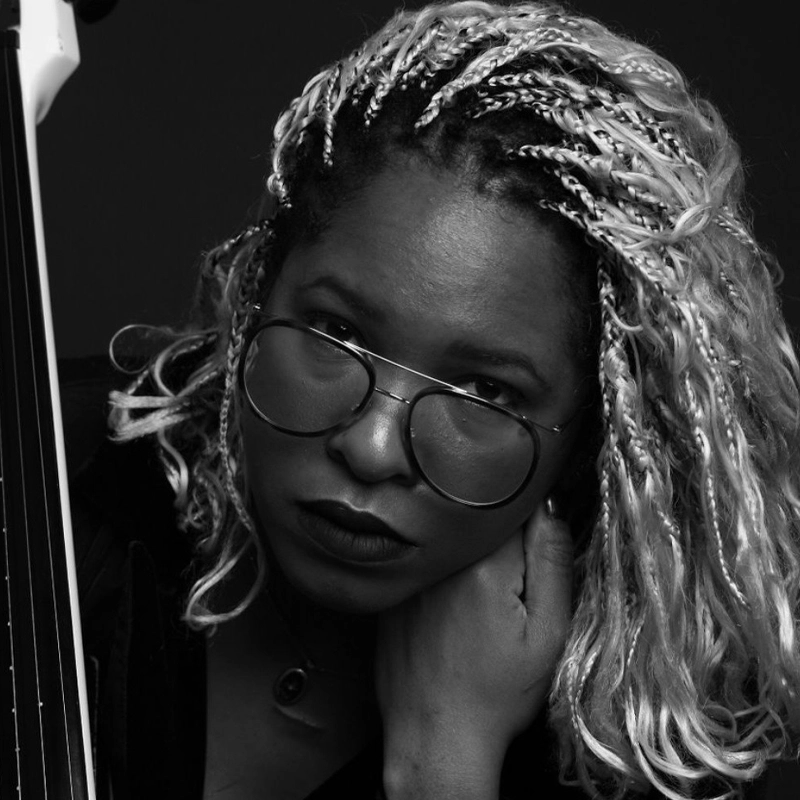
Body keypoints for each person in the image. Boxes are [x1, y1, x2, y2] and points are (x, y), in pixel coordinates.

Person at [66, 2, 800, 798]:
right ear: (255, 297)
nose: (372, 447)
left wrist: (445, 759)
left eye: (484, 389)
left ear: (595, 436)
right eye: (337, 331)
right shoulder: (58, 489)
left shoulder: (650, 756)